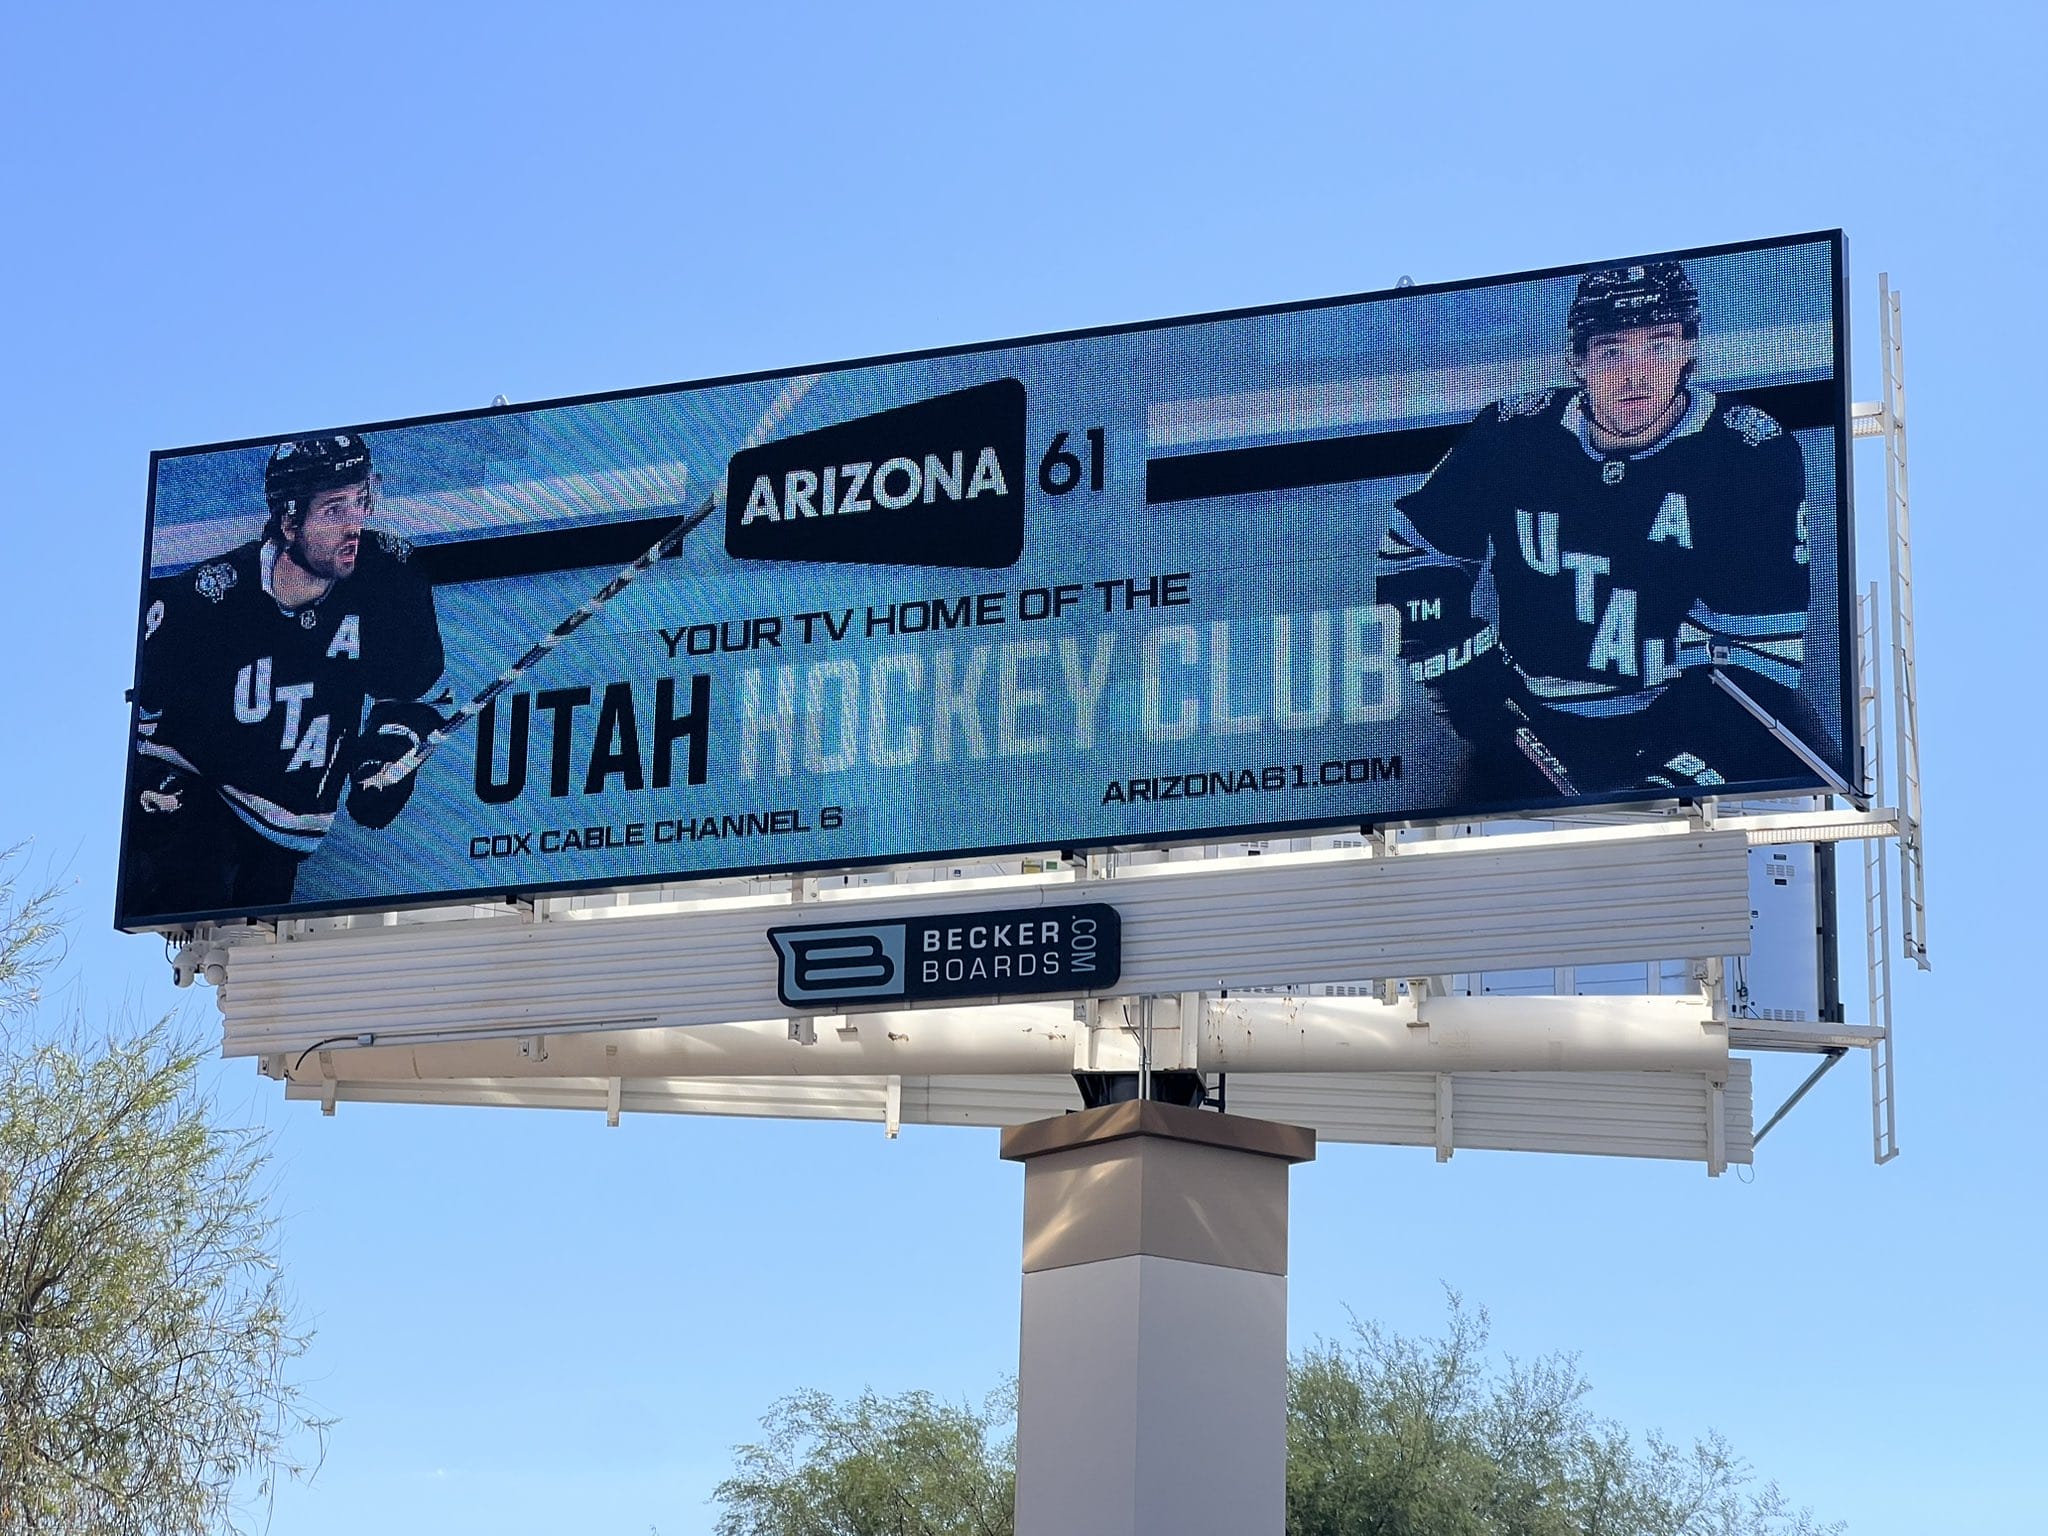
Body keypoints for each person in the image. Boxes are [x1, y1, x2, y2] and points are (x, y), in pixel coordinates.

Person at [1375, 259, 1825, 805]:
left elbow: (1761, 655)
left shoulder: (1747, 455)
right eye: (1612, 351)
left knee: (1795, 781)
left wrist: (1680, 778)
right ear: (1579, 361)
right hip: (1525, 725)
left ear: (1689, 351)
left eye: (1658, 346)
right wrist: (1469, 682)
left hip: (1685, 724)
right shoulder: (1514, 437)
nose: (1636, 375)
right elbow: (1414, 550)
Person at [123, 433, 447, 920]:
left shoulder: (388, 578)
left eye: (363, 501)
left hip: (289, 835)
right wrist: (155, 784)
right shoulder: (205, 601)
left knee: (268, 947)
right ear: (289, 518)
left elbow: (410, 694)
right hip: (201, 819)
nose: (355, 524)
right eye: (335, 509)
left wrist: (391, 748)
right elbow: (145, 725)